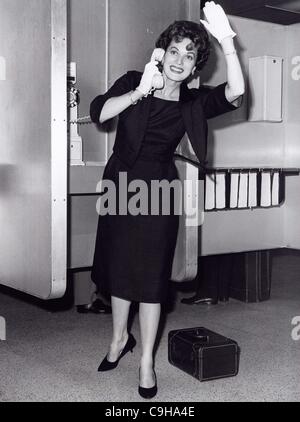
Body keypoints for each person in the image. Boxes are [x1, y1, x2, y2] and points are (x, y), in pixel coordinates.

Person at [90, 1, 245, 399]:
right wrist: (139, 91)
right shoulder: (133, 80)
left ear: (196, 67)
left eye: (189, 55)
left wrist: (227, 43)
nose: (179, 60)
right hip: (120, 184)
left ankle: (146, 363)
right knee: (121, 269)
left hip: (158, 189)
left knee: (151, 280)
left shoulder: (193, 103)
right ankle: (119, 340)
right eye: (173, 50)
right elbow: (100, 112)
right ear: (162, 53)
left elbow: (237, 92)